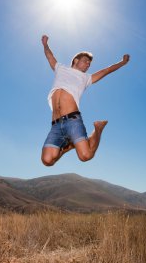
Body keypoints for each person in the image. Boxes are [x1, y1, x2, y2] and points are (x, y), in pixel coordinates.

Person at [41, 35, 130, 166]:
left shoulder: (86, 78)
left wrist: (122, 62)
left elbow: (106, 71)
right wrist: (45, 44)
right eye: (85, 61)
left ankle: (98, 128)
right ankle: (68, 146)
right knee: (47, 161)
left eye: (89, 63)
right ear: (76, 60)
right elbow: (50, 56)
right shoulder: (60, 68)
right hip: (55, 124)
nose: (88, 65)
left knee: (85, 156)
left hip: (73, 121)